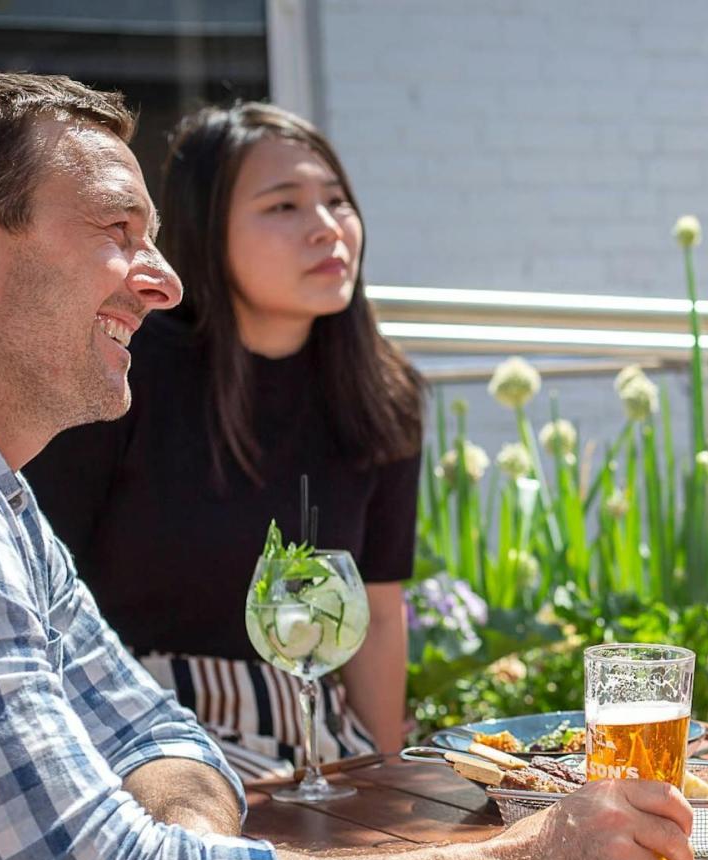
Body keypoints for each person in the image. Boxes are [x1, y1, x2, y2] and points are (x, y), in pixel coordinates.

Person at [0, 68, 692, 860]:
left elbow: (152, 731)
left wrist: (189, 848)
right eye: (118, 231)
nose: (163, 284)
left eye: (336, 201)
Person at [23, 102, 417, 776]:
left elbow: (379, 614)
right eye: (284, 206)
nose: (328, 229)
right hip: (137, 727)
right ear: (207, 231)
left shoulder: (383, 392)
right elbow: (40, 587)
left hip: (312, 731)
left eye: (337, 201)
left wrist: (383, 773)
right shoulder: (124, 370)